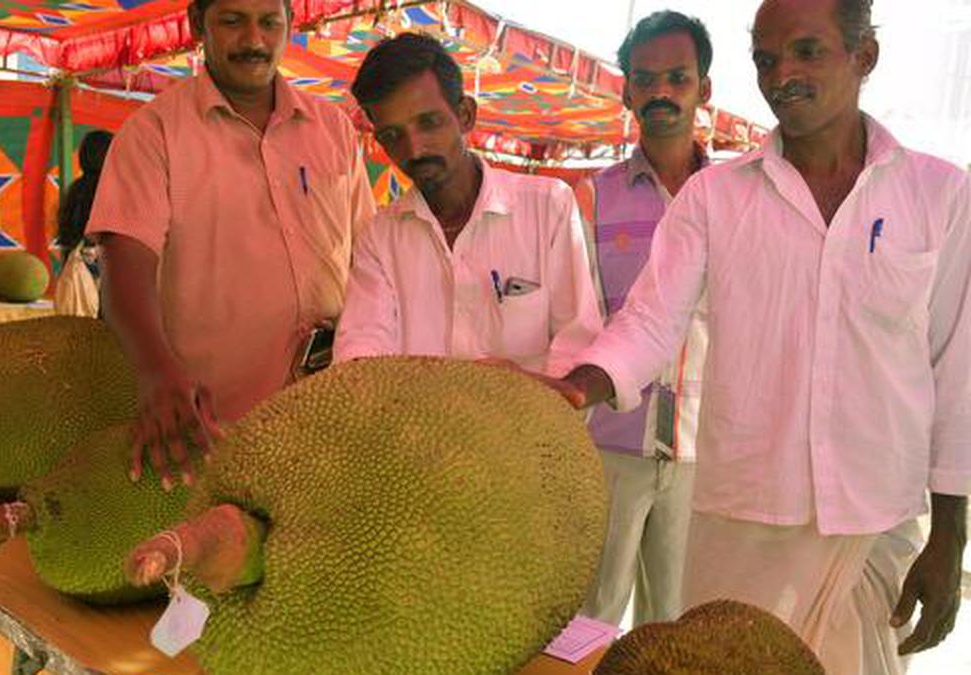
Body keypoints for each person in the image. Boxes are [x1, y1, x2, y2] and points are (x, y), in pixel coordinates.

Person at [545, 1, 968, 672]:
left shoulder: (940, 195)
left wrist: (952, 533)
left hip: (876, 522)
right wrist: (578, 386)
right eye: (767, 60)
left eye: (808, 52)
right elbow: (651, 321)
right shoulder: (715, 198)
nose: (783, 76)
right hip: (741, 519)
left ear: (865, 57)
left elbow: (957, 370)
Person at [86, 0, 376, 489]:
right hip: (210, 436)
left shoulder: (334, 131)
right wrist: (156, 373)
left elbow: (369, 263)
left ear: (290, 25)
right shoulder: (154, 133)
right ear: (198, 24)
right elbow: (126, 260)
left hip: (332, 421)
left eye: (269, 23)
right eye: (232, 21)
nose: (254, 41)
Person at [332, 32, 600, 375]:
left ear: (465, 115)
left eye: (428, 123)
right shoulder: (380, 237)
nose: (414, 149)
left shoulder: (549, 206)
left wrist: (528, 391)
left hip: (524, 423)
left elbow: (576, 345)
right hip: (416, 424)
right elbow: (362, 347)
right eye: (392, 135)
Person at [569, 11, 712, 627]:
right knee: (588, 620)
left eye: (677, 78)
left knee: (677, 626)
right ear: (625, 88)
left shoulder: (733, 198)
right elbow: (576, 321)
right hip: (609, 446)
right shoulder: (591, 198)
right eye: (645, 78)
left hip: (703, 453)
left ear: (703, 88)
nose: (660, 92)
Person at [54, 129, 112, 317]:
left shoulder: (76, 190)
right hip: (106, 275)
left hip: (83, 270)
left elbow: (69, 234)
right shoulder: (113, 190)